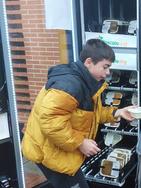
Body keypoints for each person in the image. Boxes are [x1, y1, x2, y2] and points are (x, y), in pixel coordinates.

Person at [21, 39, 134, 188]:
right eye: (105, 67)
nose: (108, 73)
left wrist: (118, 112)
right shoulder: (70, 85)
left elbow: (90, 114)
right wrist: (80, 143)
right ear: (88, 62)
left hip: (57, 148)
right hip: (48, 152)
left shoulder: (85, 81)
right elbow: (50, 122)